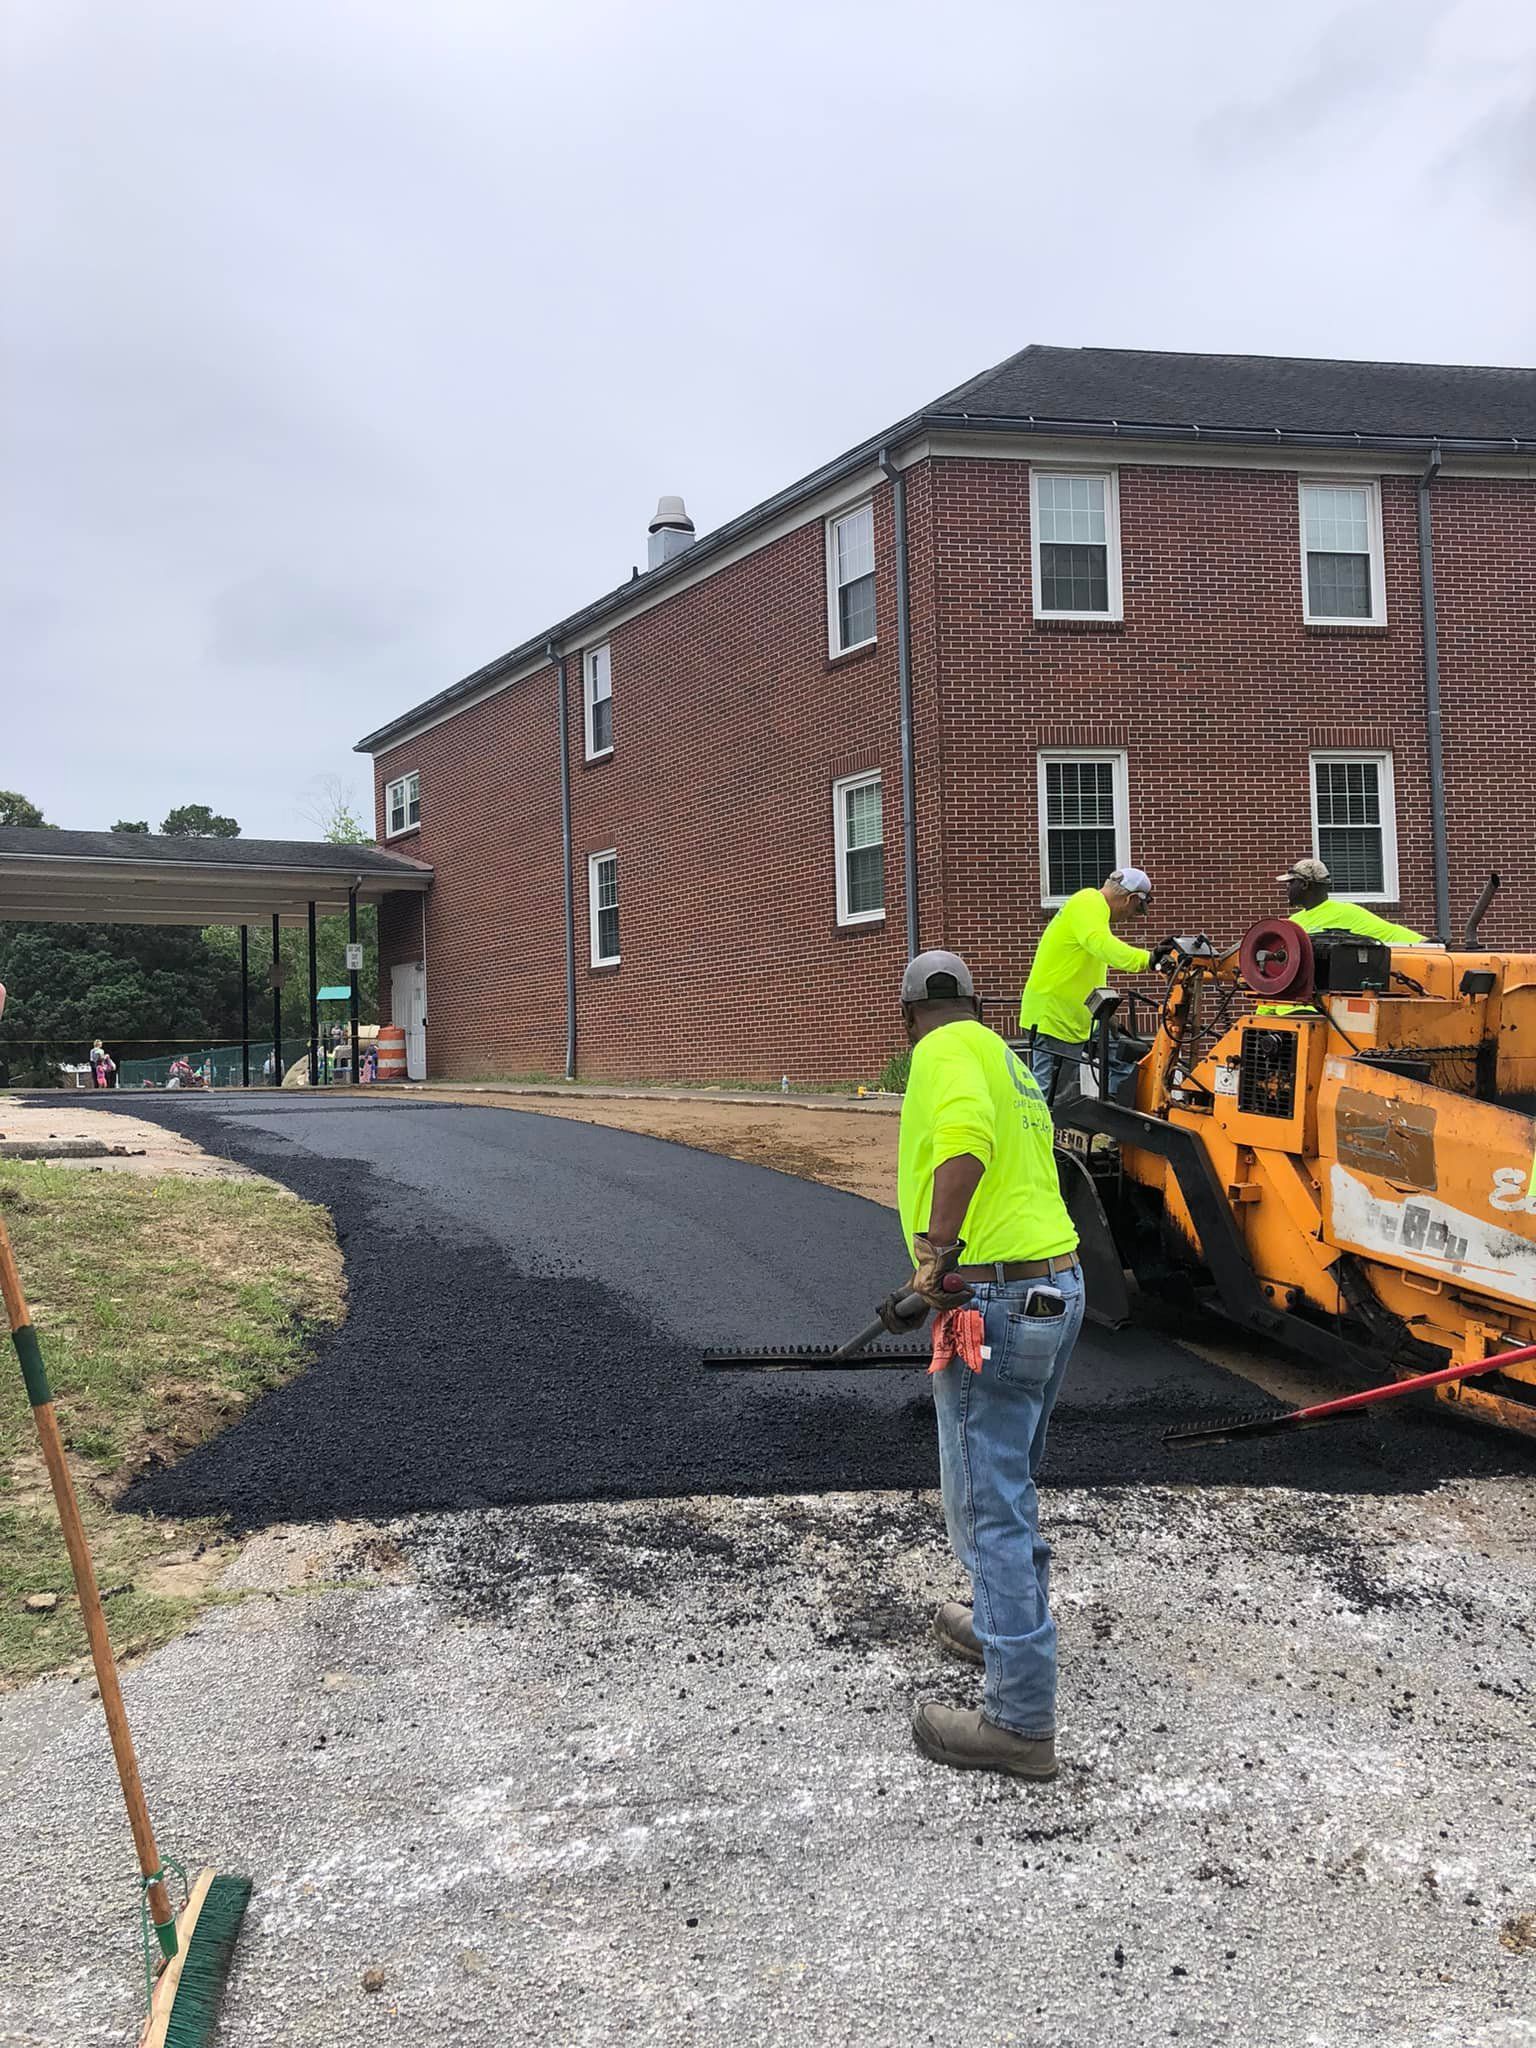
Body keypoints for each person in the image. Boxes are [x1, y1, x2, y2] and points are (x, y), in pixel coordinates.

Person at [893, 949, 1086, 1782]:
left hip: (993, 1306)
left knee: (987, 1505)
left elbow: (965, 1142)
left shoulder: (942, 1050)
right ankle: (998, 1624)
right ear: (977, 999)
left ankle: (1019, 1720)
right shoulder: (1008, 1057)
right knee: (1011, 1483)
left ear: (905, 1020)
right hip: (1058, 1286)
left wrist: (935, 1255)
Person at [1018, 867, 1159, 1109]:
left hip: (1080, 1017)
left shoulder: (1092, 912)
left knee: (1126, 1060)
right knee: (1051, 1100)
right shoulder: (1088, 902)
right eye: (1136, 910)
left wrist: (1105, 1014)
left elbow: (1085, 967)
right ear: (1131, 898)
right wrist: (1149, 959)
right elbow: (1101, 944)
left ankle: (1117, 1122)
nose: (1132, 917)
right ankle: (1032, 1142)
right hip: (1056, 1018)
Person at [1275, 857, 1426, 944]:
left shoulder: (1345, 913)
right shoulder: (1294, 922)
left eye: (1290, 883)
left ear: (1304, 884)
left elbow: (1388, 932)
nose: (1287, 888)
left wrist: (1425, 943)